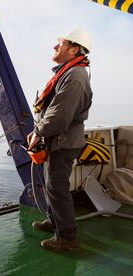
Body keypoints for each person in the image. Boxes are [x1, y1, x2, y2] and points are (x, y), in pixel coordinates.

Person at [27, 29, 93, 251]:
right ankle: (54, 221)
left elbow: (60, 115)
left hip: (63, 142)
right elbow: (52, 110)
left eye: (60, 44)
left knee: (57, 188)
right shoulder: (67, 73)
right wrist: (38, 130)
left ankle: (67, 237)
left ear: (74, 50)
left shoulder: (75, 76)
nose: (55, 47)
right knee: (51, 185)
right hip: (57, 140)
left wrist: (38, 133)